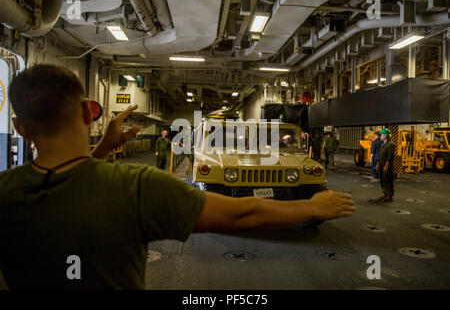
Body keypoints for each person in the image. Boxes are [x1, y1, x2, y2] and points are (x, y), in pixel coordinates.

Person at [0, 65, 355, 289]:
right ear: (88, 113)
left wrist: (103, 150)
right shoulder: (136, 188)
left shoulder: (6, 191)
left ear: (19, 128)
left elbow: (67, 184)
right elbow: (243, 214)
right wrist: (312, 207)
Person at [376, 128, 395, 202]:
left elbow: (390, 156)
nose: (380, 136)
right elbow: (380, 155)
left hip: (387, 165)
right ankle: (385, 193)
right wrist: (378, 163)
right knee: (382, 179)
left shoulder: (391, 144)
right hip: (381, 164)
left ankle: (389, 196)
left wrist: (387, 165)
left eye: (381, 134)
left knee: (388, 180)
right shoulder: (382, 144)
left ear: (386, 136)